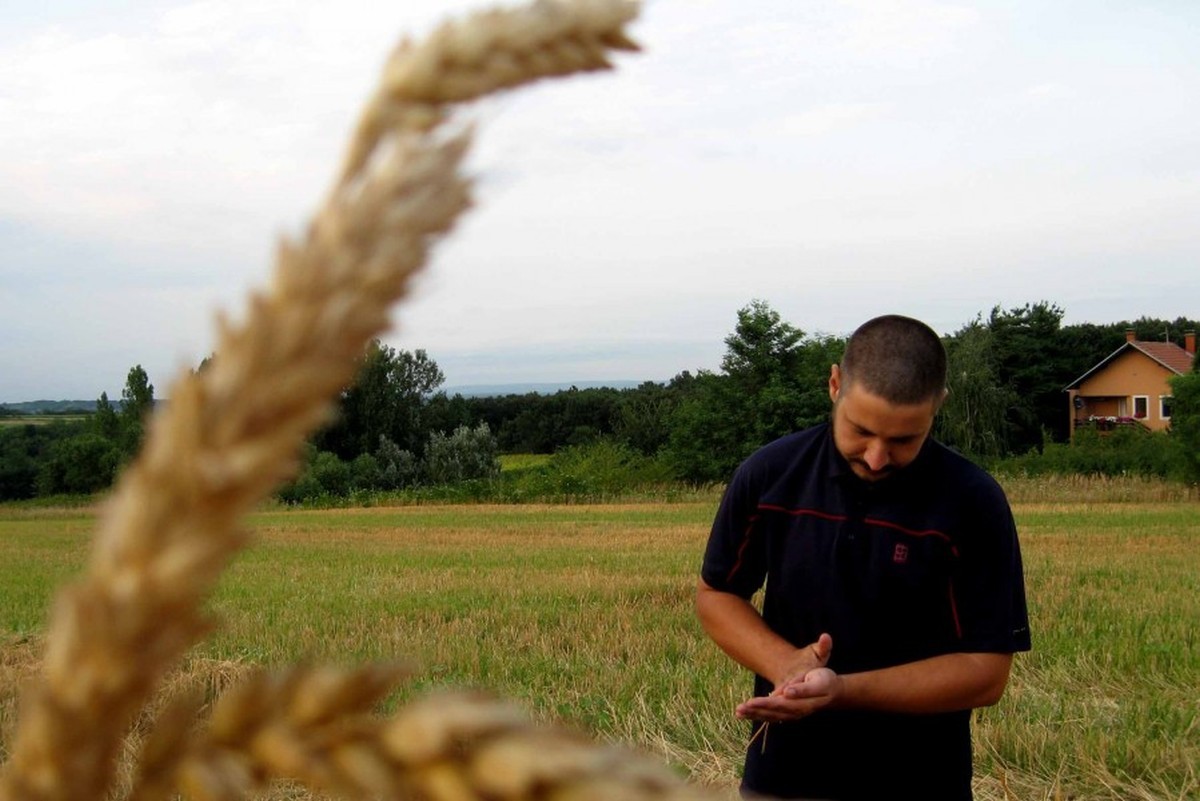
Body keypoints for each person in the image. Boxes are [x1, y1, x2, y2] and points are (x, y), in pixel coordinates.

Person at [696, 314, 1031, 801]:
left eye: (903, 440)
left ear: (939, 406)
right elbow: (717, 594)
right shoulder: (770, 475)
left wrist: (843, 690)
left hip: (920, 780)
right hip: (783, 778)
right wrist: (785, 663)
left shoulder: (972, 501)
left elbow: (986, 674)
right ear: (835, 384)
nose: (876, 457)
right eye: (861, 430)